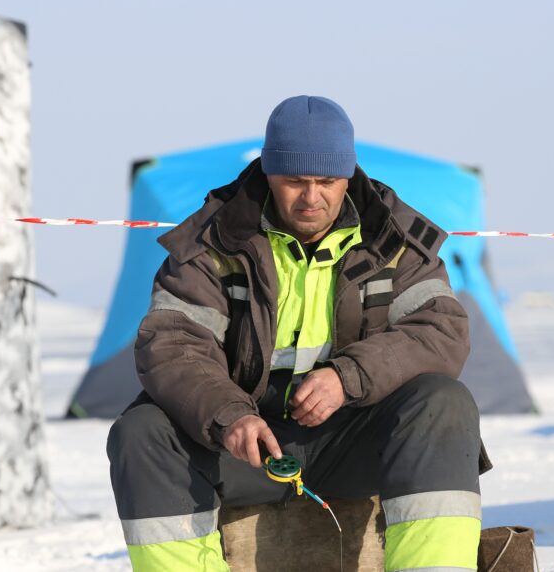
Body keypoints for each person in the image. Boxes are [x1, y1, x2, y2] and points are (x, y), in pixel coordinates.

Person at [107, 95, 490, 571]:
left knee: (443, 402)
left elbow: (441, 332)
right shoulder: (209, 245)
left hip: (356, 439)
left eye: (327, 181)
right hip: (246, 449)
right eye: (294, 181)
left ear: (348, 176)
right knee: (142, 431)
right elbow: (172, 346)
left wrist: (348, 378)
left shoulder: (395, 240)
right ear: (268, 173)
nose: (312, 198)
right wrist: (230, 417)